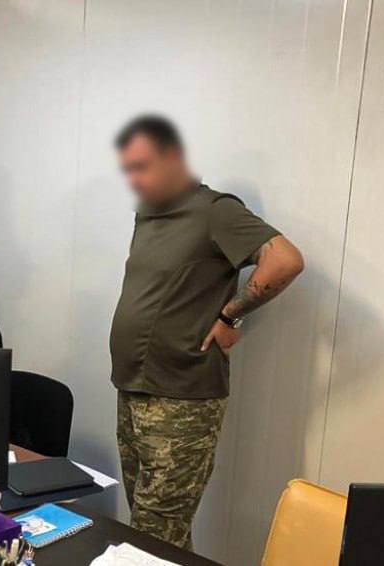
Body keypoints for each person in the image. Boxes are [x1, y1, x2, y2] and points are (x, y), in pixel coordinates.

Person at [110, 115, 304, 549]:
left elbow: (285, 260)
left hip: (181, 398)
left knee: (154, 533)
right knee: (156, 530)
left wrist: (230, 317)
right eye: (128, 169)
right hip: (134, 389)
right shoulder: (148, 215)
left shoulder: (214, 210)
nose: (133, 179)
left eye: (141, 167)